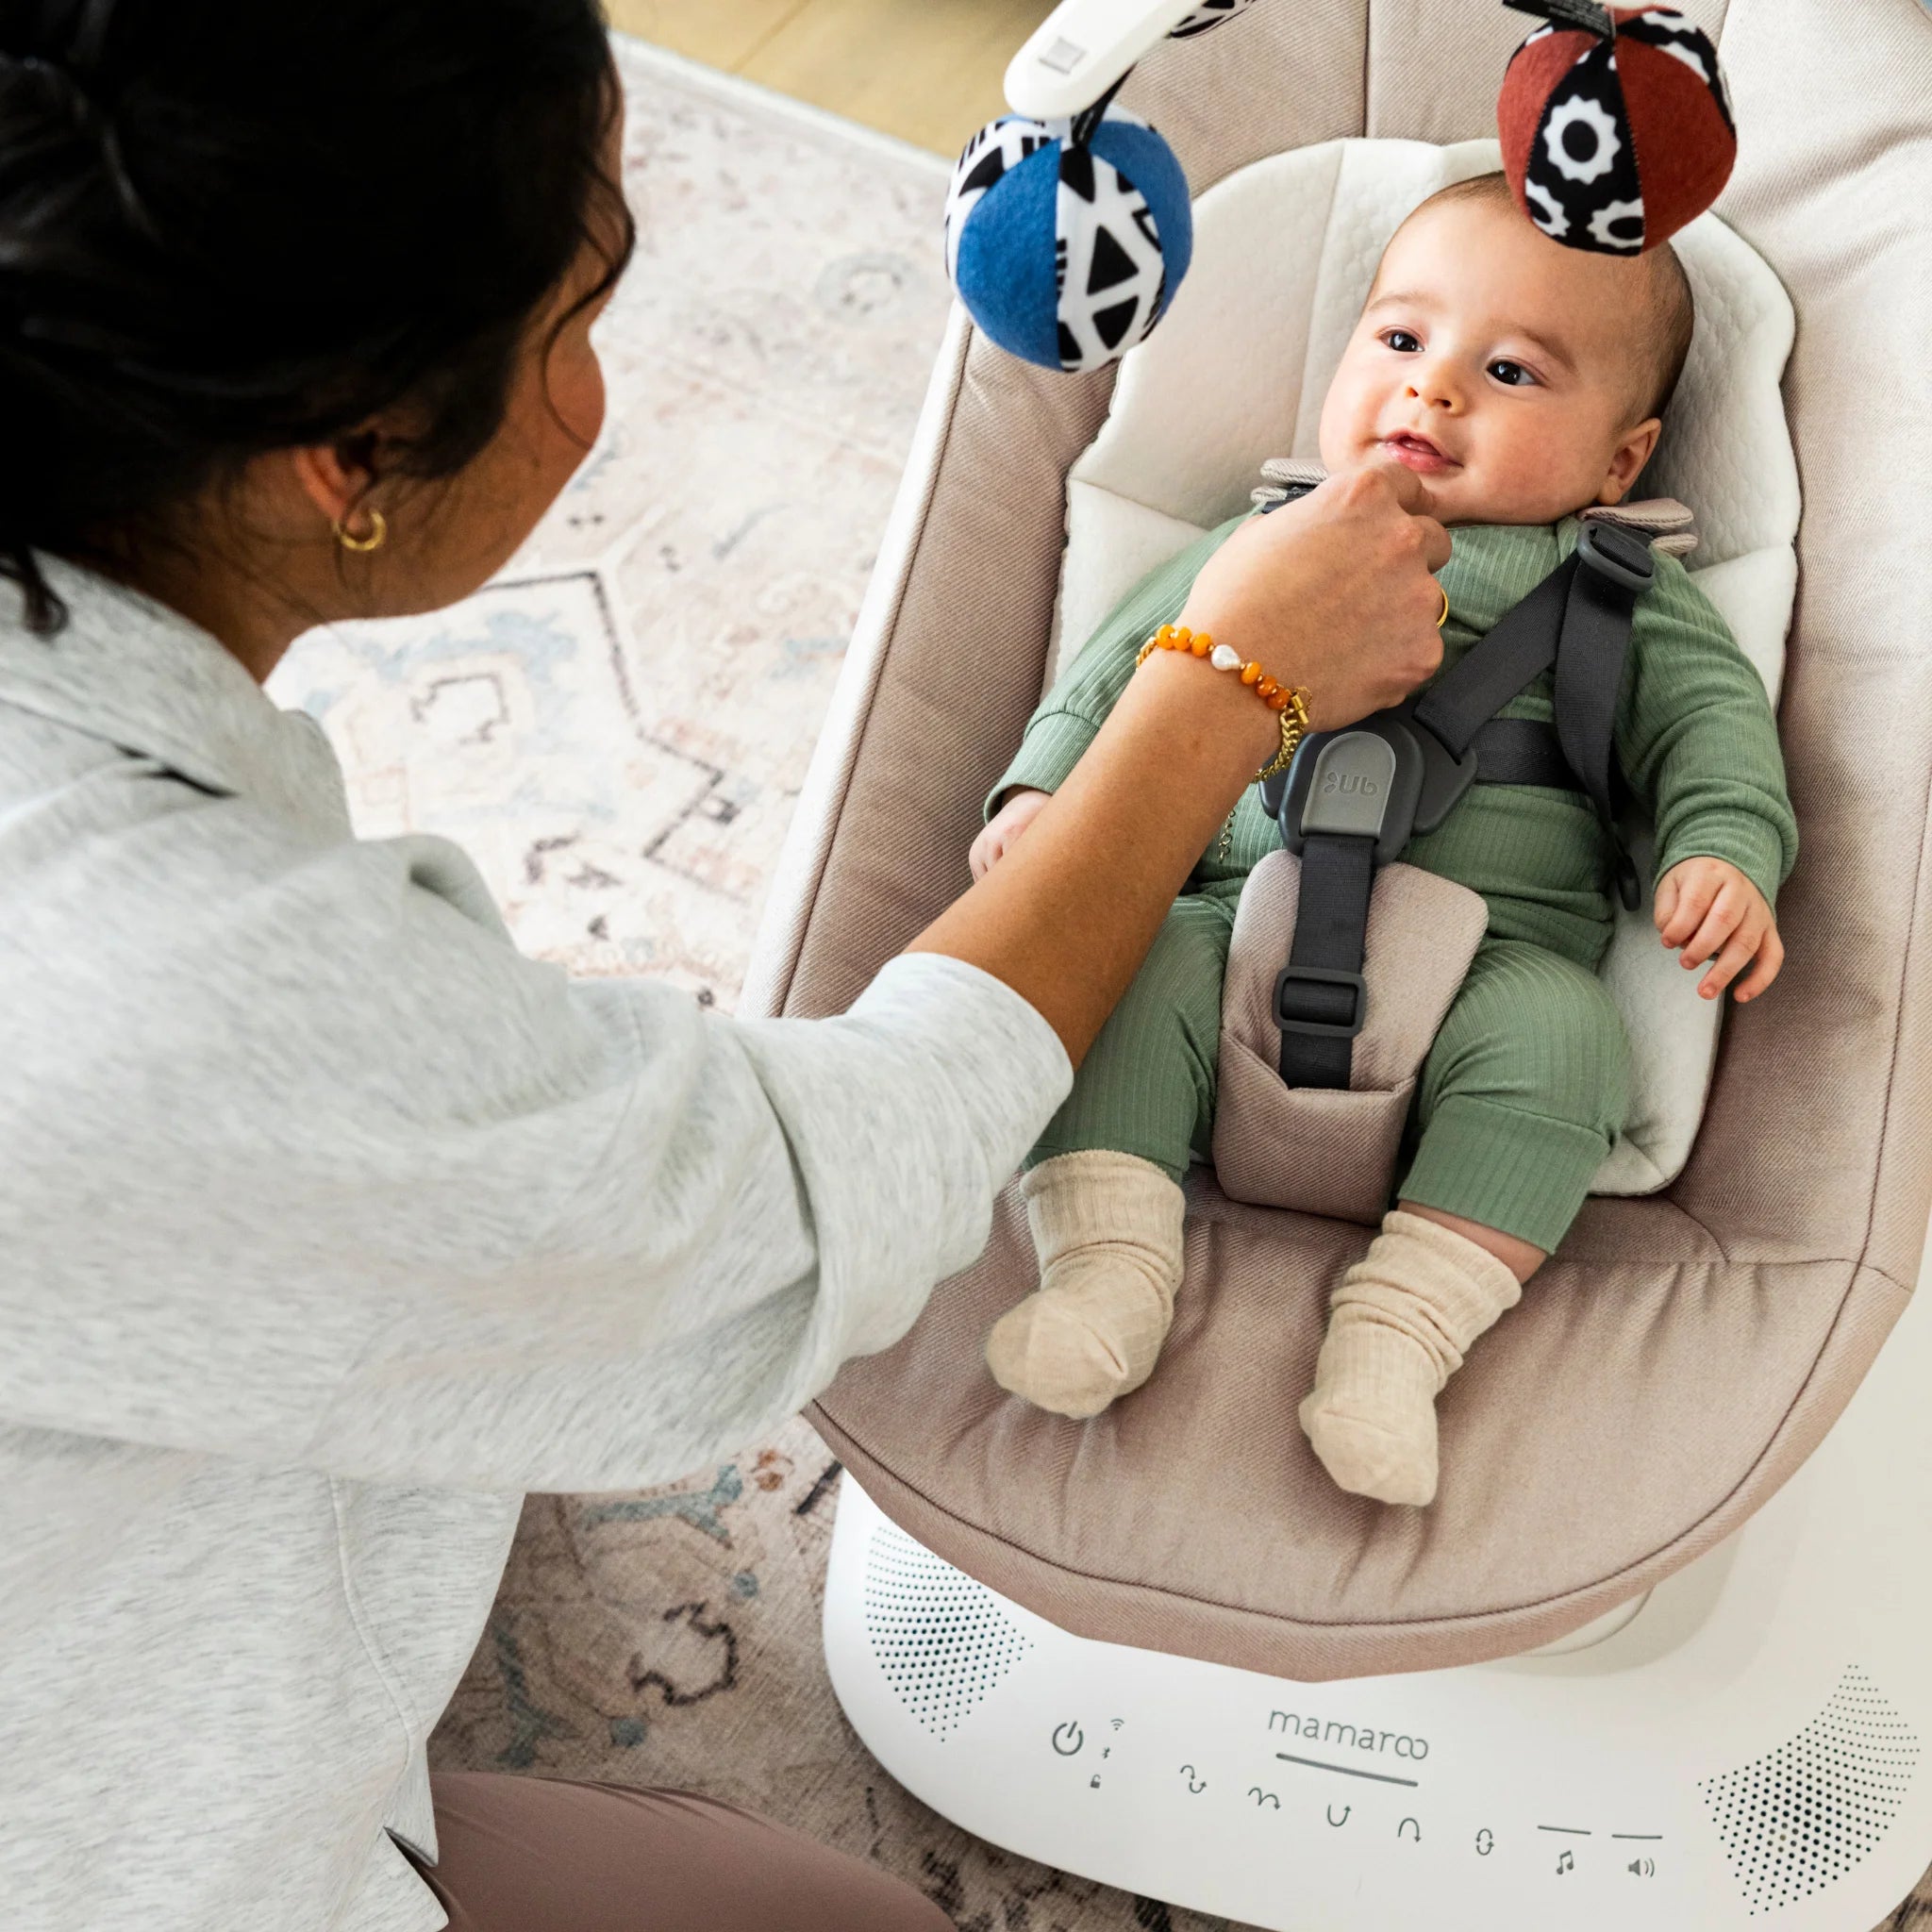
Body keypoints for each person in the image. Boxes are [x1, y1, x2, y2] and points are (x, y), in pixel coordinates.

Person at [0, 6, 1452, 1930]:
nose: (603, 379)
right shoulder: (180, 996)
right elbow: (810, 1194)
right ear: (349, 451)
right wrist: (1218, 687)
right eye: (581, 312)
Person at [973, 173, 1796, 1507]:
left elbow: (1716, 734)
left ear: (1621, 461)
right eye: (1402, 339)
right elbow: (1125, 665)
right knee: (1120, 964)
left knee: (1570, 1042)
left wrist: (1723, 852)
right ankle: (1105, 1270)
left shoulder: (1623, 591)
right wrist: (1044, 793)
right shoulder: (1271, 537)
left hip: (1488, 970)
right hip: (1230, 916)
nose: (1434, 389)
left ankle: (1400, 1336)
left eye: (1510, 371)